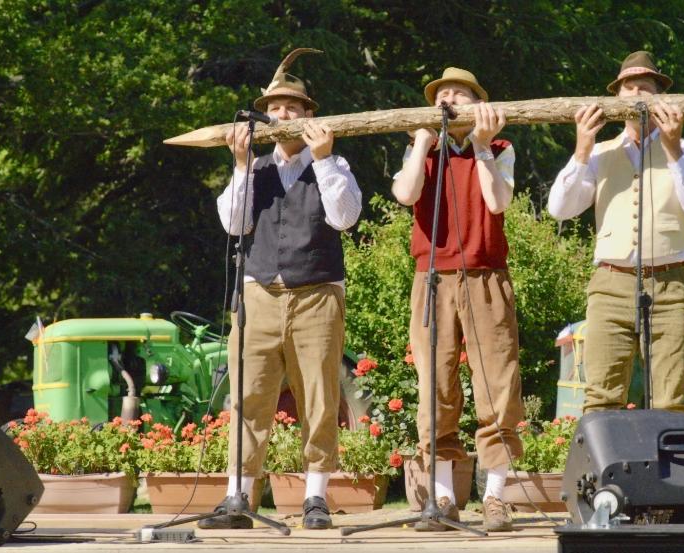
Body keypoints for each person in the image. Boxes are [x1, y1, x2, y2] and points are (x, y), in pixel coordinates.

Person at [204, 48, 362, 530]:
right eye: (274, 108)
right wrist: (238, 165)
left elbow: (345, 217)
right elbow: (234, 224)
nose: (282, 115)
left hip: (316, 294)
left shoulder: (334, 165)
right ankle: (239, 497)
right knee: (250, 396)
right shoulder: (255, 168)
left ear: (310, 115)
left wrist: (324, 158)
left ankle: (314, 497)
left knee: (320, 395)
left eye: (292, 107)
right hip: (258, 294)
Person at [392, 67, 523, 532]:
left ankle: (494, 496)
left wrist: (483, 146)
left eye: (459, 93)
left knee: (497, 383)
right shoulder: (422, 151)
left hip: (485, 276)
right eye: (442, 93)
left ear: (476, 102)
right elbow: (406, 194)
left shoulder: (499, 148)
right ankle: (444, 497)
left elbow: (497, 203)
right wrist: (424, 142)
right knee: (436, 386)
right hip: (431, 277)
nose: (449, 98)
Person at [547, 51, 684, 414]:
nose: (637, 95)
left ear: (661, 99)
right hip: (610, 284)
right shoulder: (599, 152)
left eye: (646, 88)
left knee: (672, 398)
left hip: (669, 283)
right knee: (601, 396)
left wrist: (672, 150)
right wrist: (581, 148)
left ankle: (671, 470)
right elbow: (559, 209)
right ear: (616, 99)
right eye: (629, 88)